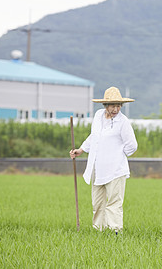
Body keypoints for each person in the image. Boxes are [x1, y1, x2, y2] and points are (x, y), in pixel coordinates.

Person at [70, 86, 138, 233]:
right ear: (105, 105)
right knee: (97, 203)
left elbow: (132, 145)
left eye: (119, 105)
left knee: (114, 203)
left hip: (115, 169)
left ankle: (115, 232)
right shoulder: (98, 116)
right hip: (97, 167)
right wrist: (81, 150)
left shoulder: (123, 122)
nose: (116, 109)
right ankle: (98, 231)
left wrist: (118, 154)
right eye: (113, 105)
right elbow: (94, 137)